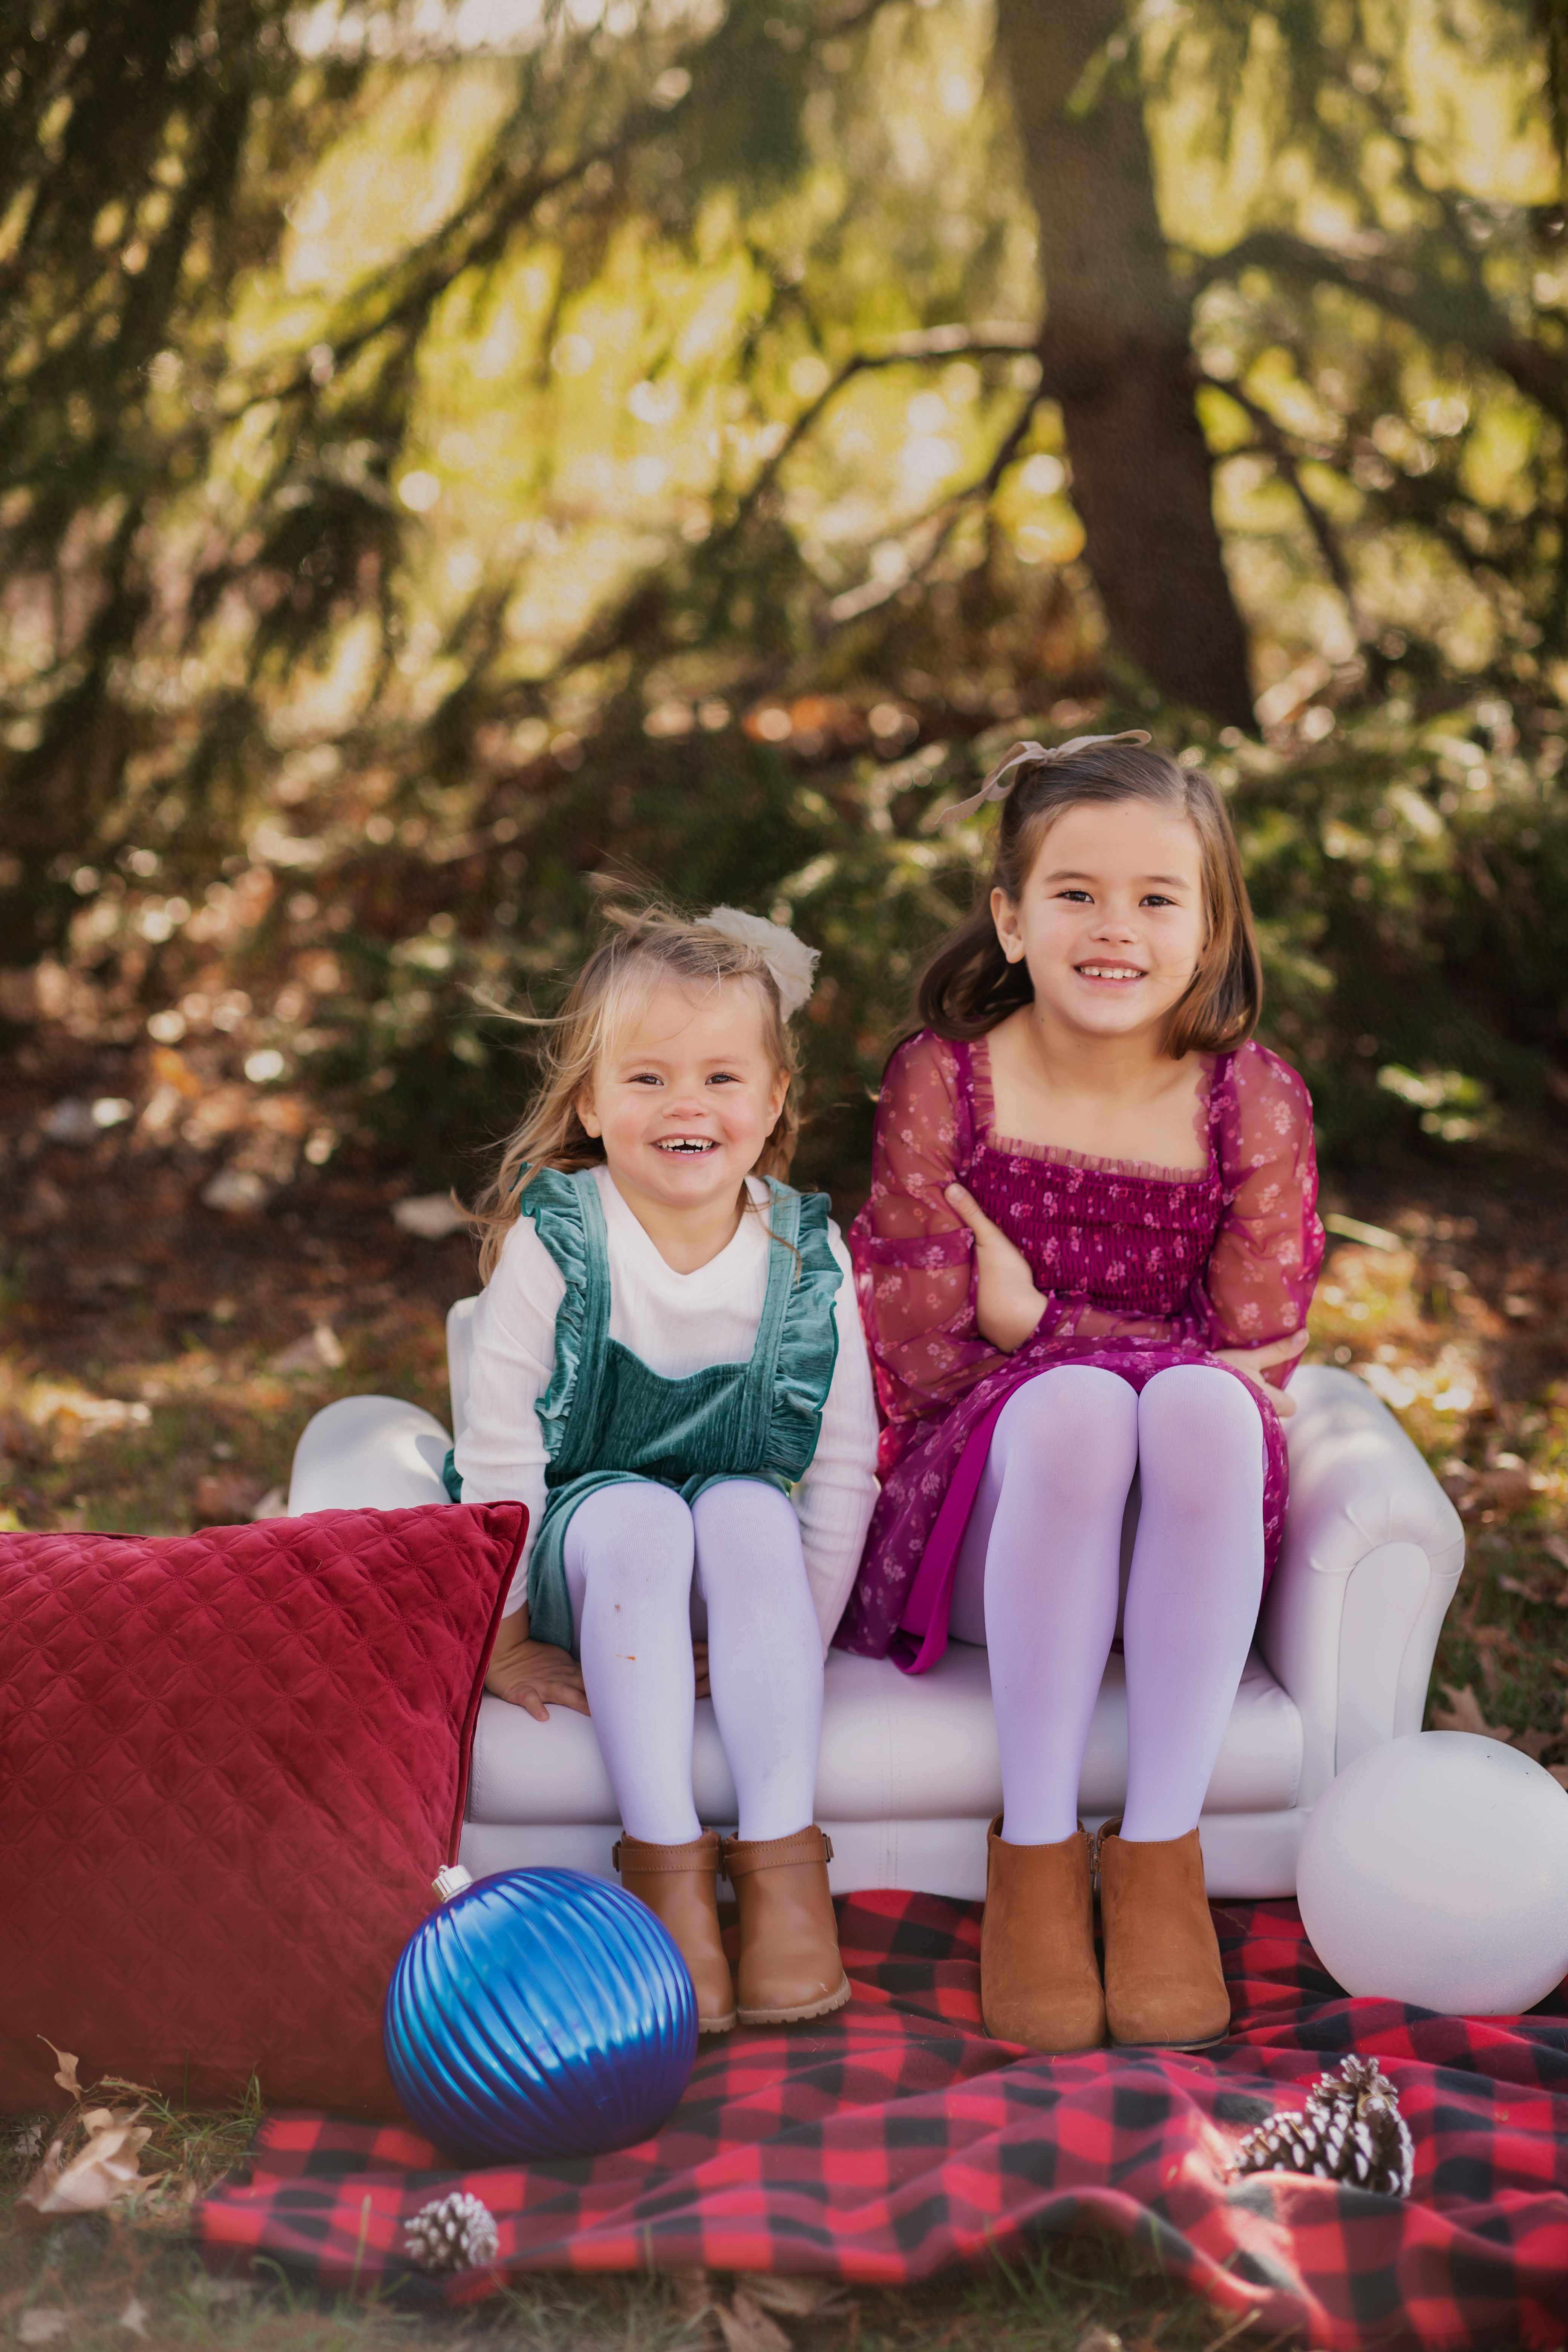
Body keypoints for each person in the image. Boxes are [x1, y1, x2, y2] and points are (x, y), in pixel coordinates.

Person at [837, 733, 1322, 2055]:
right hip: (994, 1498)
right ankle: (1038, 1851)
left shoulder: (1251, 1103)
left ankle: (1160, 1852)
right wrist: (1068, 1358)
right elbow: (926, 1355)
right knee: (1078, 1410)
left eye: (1159, 899)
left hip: (1180, 1506)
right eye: (1076, 894)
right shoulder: (948, 1078)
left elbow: (1252, 1359)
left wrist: (1042, 1319)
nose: (1117, 930)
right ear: (1010, 916)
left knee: (1193, 1411)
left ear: (1212, 927)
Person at [452, 906, 879, 2035]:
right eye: (646, 1076)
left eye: (722, 1076)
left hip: (737, 1571)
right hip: (596, 1551)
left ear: (776, 1097)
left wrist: (801, 1634)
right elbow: (500, 1453)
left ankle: (788, 1884)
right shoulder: (563, 1240)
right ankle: (667, 1878)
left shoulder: (803, 1251)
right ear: (592, 1103)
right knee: (643, 1515)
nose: (687, 1104)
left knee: (747, 1509)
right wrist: (499, 1631)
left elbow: (843, 1471)